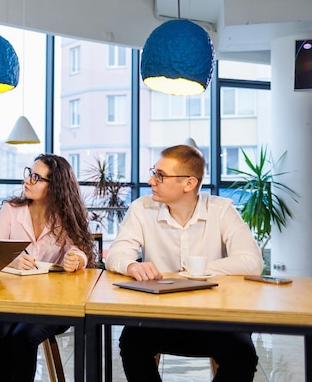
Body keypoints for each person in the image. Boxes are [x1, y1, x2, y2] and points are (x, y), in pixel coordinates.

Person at [105, 144, 264, 382]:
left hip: (215, 318)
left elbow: (252, 262)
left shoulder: (221, 210)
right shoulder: (142, 208)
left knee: (242, 353)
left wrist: (197, 271)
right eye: (154, 172)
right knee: (131, 342)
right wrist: (132, 266)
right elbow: (115, 254)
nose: (151, 180)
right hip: (159, 316)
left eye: (160, 175)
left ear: (189, 184)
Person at [0, 153, 96, 382]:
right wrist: (10, 259)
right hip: (7, 298)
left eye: (36, 177)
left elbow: (79, 251)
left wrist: (77, 259)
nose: (27, 181)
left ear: (56, 186)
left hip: (49, 302)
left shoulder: (66, 217)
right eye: (28, 174)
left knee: (21, 337)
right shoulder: (11, 209)